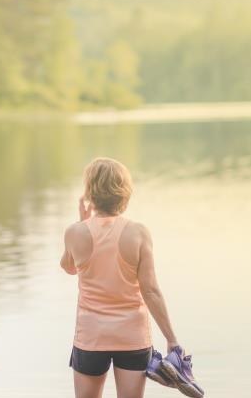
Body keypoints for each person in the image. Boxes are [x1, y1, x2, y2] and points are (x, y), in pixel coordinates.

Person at [61, 158, 200, 398]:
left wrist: (83, 223)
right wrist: (171, 340)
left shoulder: (75, 232)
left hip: (91, 337)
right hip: (132, 337)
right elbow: (151, 290)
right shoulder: (138, 233)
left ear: (90, 192)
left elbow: (69, 267)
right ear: (123, 192)